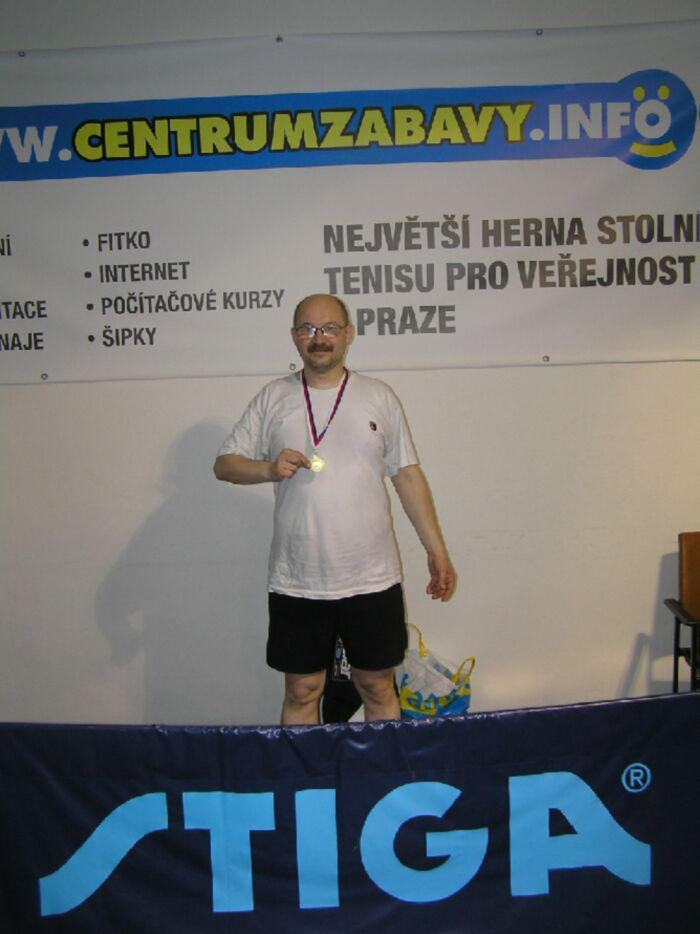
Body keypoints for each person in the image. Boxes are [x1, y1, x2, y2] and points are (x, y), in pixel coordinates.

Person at [214, 293, 455, 724]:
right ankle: (305, 770)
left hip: (371, 576)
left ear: (348, 334)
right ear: (294, 337)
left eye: (328, 328)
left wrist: (436, 549)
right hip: (297, 578)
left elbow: (406, 475)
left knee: (377, 686)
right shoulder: (273, 397)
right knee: (302, 690)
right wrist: (268, 468)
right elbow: (225, 465)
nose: (318, 338)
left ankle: (382, 767)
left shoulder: (378, 396)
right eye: (308, 329)